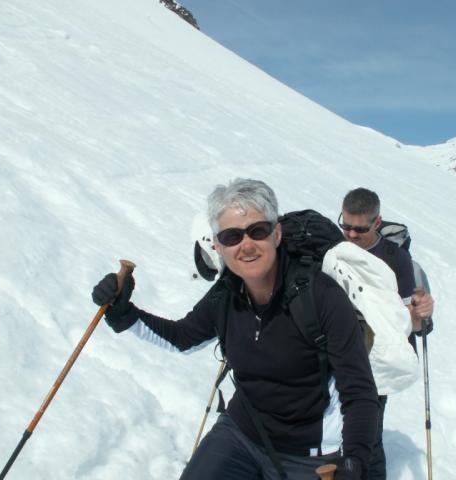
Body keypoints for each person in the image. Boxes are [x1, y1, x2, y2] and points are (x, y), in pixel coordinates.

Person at [92, 178, 379, 480]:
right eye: (232, 236)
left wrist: (354, 462)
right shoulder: (226, 295)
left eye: (258, 231)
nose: (247, 245)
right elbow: (182, 337)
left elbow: (359, 391)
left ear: (277, 234)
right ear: (218, 245)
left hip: (311, 453)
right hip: (241, 433)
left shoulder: (320, 296)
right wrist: (124, 312)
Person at [338, 187, 435, 480]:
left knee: (368, 436)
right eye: (346, 225)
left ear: (377, 222)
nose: (351, 234)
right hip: (337, 353)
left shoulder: (396, 259)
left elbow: (410, 324)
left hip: (376, 362)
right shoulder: (336, 249)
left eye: (360, 229)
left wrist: (420, 314)